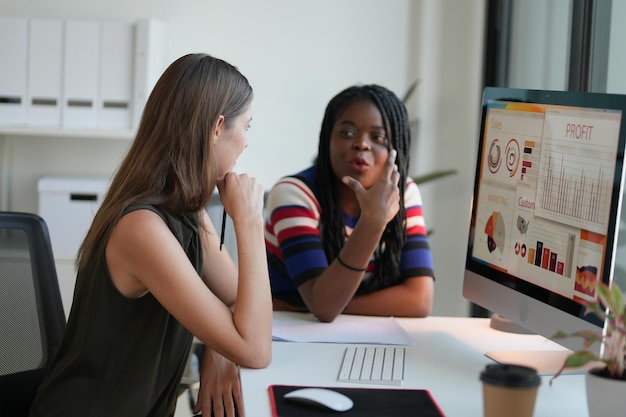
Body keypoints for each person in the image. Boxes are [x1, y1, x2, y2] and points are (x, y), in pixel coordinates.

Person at [29, 53, 271, 417]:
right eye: (246, 128)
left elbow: (246, 310)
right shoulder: (143, 228)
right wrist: (250, 222)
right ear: (218, 127)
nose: (247, 144)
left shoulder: (189, 214)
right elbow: (256, 349)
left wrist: (219, 350)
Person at [265, 84, 435, 323]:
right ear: (327, 139)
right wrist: (373, 221)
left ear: (396, 149)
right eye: (347, 133)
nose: (361, 145)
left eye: (378, 137)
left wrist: (307, 306)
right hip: (287, 334)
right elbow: (324, 306)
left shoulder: (403, 193)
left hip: (352, 330)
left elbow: (419, 300)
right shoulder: (294, 194)